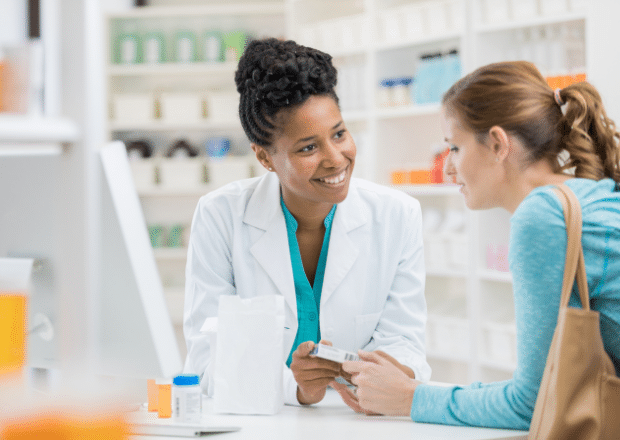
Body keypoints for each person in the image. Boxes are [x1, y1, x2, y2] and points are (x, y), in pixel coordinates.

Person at [340, 61, 620, 429]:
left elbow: (532, 404)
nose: (447, 169)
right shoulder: (590, 194)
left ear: (498, 144)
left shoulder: (542, 216)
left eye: (455, 147)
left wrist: (410, 398)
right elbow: (547, 388)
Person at [183, 37, 431, 406]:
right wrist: (297, 388)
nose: (336, 159)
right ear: (265, 158)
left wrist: (386, 375)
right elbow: (207, 361)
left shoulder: (396, 215)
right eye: (308, 148)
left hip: (359, 421)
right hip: (259, 420)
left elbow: (406, 341)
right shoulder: (221, 216)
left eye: (339, 134)